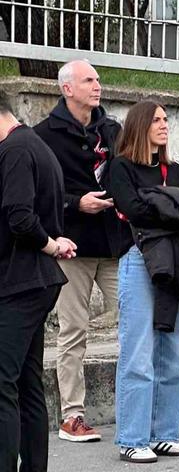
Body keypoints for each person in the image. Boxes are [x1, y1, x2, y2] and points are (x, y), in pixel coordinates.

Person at [108, 101, 179, 463]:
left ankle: (165, 434)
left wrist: (163, 205)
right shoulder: (122, 167)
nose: (164, 125)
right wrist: (175, 209)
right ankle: (132, 438)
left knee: (174, 354)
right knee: (138, 354)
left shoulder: (177, 170)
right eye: (156, 119)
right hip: (140, 263)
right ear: (140, 126)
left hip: (178, 265)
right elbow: (133, 210)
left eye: (166, 119)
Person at [32, 59, 127, 443]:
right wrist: (76, 204)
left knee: (139, 325)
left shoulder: (112, 130)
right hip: (72, 247)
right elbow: (38, 193)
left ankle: (149, 409)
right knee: (73, 331)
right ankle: (72, 416)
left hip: (116, 244)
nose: (97, 85)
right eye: (89, 80)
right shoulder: (44, 135)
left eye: (99, 79)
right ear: (67, 88)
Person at [0, 91, 76, 472]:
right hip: (34, 283)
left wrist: (49, 246)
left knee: (2, 385)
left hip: (20, 282)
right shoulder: (35, 145)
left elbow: (19, 217)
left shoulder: (14, 150)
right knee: (28, 384)